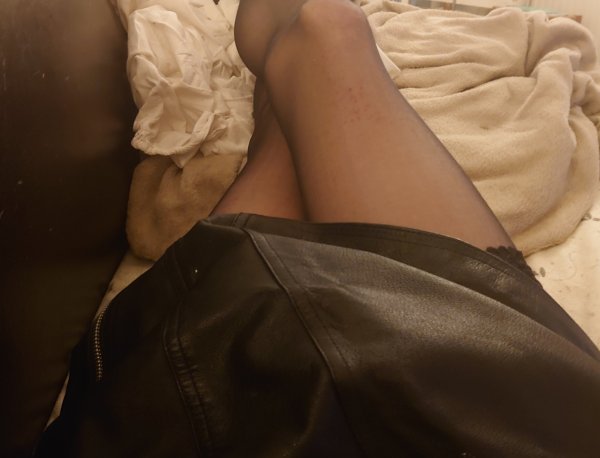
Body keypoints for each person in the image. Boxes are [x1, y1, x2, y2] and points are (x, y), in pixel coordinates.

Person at [37, 1, 600, 456]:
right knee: (324, 35)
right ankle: (285, 61)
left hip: (204, 405)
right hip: (508, 408)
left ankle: (283, 57)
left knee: (326, 29)